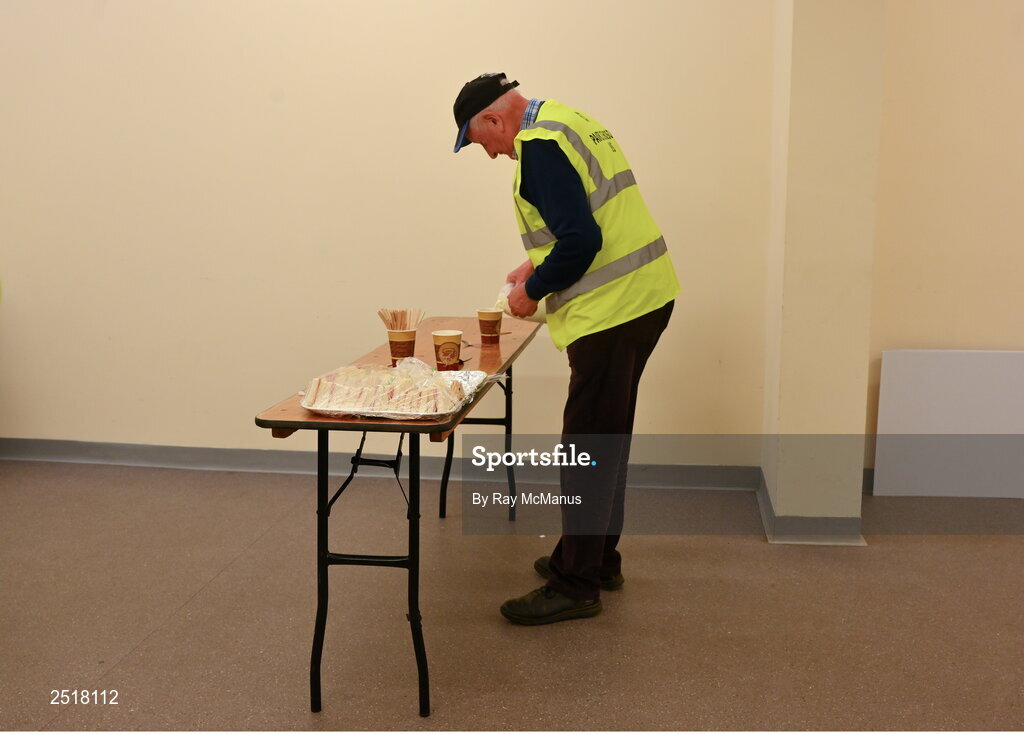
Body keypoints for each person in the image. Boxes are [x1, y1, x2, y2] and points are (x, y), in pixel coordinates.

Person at [453, 73, 679, 625]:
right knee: (609, 438)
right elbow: (587, 217)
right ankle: (597, 559)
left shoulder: (538, 148)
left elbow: (582, 241)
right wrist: (537, 261)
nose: (491, 154)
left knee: (586, 449)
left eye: (483, 142)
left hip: (611, 311)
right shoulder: (570, 120)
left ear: (493, 119)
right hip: (647, 296)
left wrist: (530, 292)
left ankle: (575, 584)